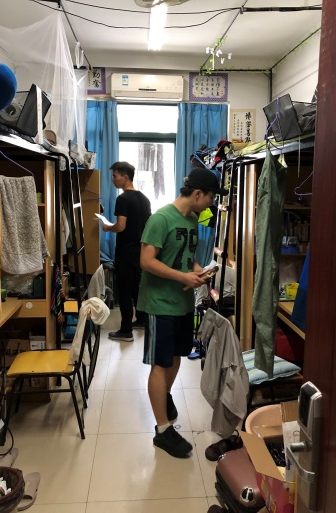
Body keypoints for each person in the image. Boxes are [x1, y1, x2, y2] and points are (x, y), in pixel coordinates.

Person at [137, 167, 228, 458]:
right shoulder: (161, 219)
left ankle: (163, 396)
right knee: (160, 363)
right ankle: (163, 431)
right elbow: (146, 261)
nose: (212, 203)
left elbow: (187, 259)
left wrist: (199, 271)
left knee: (177, 355)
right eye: (211, 197)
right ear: (198, 194)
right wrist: (182, 277)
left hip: (183, 303)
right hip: (160, 303)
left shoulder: (191, 220)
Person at [102, 161, 151, 342]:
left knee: (123, 289)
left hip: (126, 251)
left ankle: (126, 330)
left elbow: (121, 226)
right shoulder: (144, 199)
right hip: (141, 251)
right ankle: (142, 319)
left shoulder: (122, 199)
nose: (113, 180)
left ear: (125, 177)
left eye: (115, 176)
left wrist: (108, 227)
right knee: (137, 287)